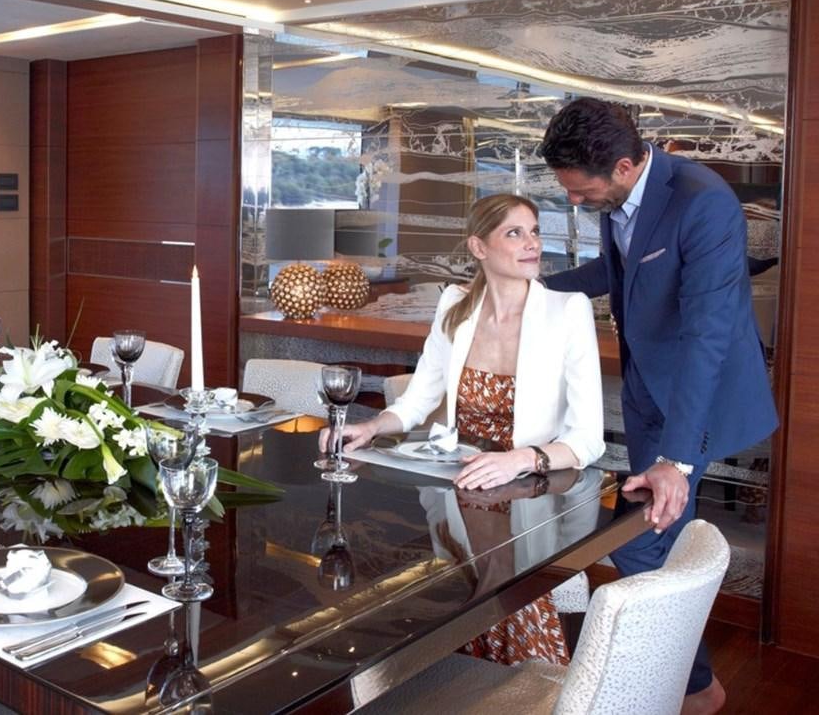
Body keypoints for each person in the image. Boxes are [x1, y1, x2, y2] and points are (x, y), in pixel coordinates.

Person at [540, 97, 779, 715]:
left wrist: (676, 457)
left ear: (623, 167)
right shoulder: (618, 197)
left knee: (642, 543)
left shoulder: (703, 202)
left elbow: (707, 335)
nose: (573, 200)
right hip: (647, 389)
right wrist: (532, 287)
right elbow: (614, 270)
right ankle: (689, 684)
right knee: (646, 542)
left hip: (695, 397)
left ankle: (693, 688)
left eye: (580, 190)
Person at [322, 192, 605, 665]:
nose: (532, 243)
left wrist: (521, 458)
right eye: (514, 233)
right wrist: (371, 427)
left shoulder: (567, 310)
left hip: (529, 498)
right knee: (452, 639)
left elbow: (588, 438)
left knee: (521, 643)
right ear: (478, 247)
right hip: (462, 495)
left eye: (534, 231)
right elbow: (418, 399)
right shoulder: (455, 304)